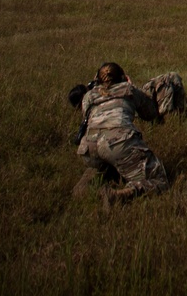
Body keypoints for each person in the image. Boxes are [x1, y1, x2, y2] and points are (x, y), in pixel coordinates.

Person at [70, 62, 171, 203]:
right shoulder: (128, 89)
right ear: (122, 77)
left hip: (88, 148)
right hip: (117, 142)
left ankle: (84, 188)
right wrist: (133, 88)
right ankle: (118, 196)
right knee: (158, 179)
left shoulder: (88, 96)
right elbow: (151, 114)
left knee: (107, 167)